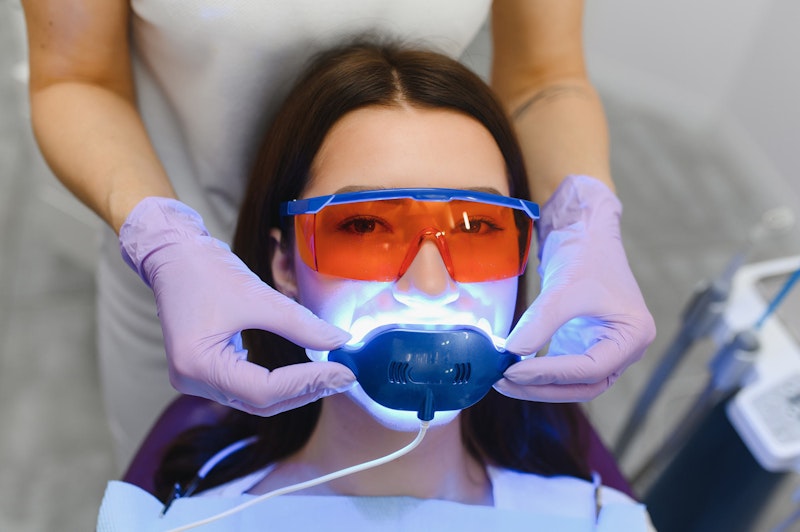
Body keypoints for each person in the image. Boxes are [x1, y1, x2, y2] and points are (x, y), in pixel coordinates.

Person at [21, 0, 656, 468]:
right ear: (283, 262)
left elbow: (545, 73)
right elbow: (76, 76)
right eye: (362, 225)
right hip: (179, 240)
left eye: (476, 224)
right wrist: (164, 241)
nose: (429, 287)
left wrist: (586, 219)